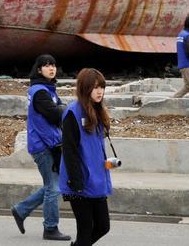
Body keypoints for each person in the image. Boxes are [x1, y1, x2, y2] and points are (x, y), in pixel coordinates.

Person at [11, 54, 71, 241]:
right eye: (46, 66)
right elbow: (56, 114)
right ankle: (50, 228)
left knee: (52, 185)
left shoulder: (48, 89)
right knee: (54, 188)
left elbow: (60, 109)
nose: (51, 68)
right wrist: (64, 110)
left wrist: (63, 109)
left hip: (49, 143)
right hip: (43, 145)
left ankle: (21, 210)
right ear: (39, 70)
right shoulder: (40, 92)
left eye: (53, 65)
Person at [60, 68, 113, 246]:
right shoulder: (72, 113)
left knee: (103, 226)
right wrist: (76, 181)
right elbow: (69, 149)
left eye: (102, 87)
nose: (100, 91)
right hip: (79, 180)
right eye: (95, 87)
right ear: (85, 88)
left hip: (97, 178)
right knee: (85, 229)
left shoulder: (98, 111)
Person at [172, 15, 189, 99]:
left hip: (182, 65)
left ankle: (173, 99)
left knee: (187, 87)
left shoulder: (180, 35)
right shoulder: (187, 36)